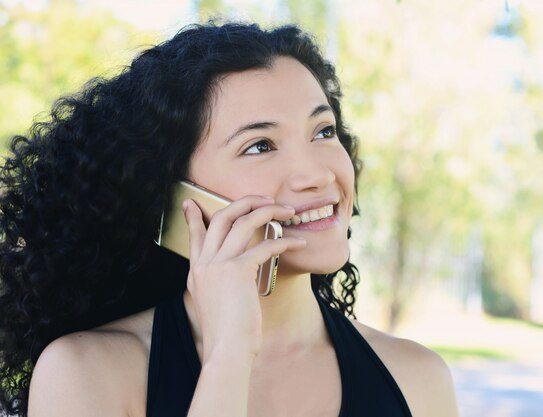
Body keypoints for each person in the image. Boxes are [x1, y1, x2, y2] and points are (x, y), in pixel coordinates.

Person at [0, 21, 458, 416]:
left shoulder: (417, 380)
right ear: (177, 196)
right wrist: (229, 357)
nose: (317, 174)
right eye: (260, 145)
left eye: (323, 131)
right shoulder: (85, 375)